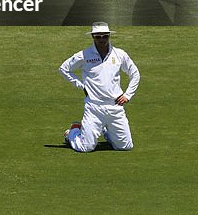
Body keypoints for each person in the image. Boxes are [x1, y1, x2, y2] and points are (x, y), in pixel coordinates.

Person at [59, 22, 140, 152]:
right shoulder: (84, 55)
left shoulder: (120, 54)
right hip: (93, 108)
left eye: (105, 36)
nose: (102, 39)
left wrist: (128, 95)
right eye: (98, 36)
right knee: (86, 147)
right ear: (93, 37)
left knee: (125, 146)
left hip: (115, 107)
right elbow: (64, 69)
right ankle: (73, 132)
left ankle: (108, 133)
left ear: (109, 36)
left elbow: (135, 73)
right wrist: (81, 85)